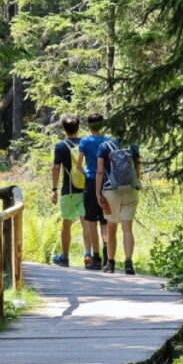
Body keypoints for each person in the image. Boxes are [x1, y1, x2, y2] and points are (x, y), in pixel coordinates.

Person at [95, 135, 141, 274]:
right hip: (130, 190)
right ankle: (128, 263)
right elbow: (138, 165)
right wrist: (135, 181)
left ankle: (110, 264)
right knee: (127, 228)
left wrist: (98, 194)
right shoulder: (133, 145)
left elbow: (100, 171)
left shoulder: (104, 146)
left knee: (111, 227)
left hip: (111, 191)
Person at [50, 114, 87, 267]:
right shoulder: (85, 143)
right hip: (87, 189)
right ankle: (89, 255)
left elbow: (56, 168)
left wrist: (54, 189)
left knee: (67, 224)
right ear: (78, 127)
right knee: (87, 224)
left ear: (64, 129)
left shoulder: (61, 146)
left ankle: (64, 258)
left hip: (69, 190)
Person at [76, 112, 109, 270]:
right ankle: (107, 252)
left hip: (90, 183)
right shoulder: (108, 141)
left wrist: (87, 174)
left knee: (90, 221)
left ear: (88, 126)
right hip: (105, 183)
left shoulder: (85, 141)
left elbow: (78, 164)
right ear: (102, 125)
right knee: (104, 220)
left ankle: (95, 257)